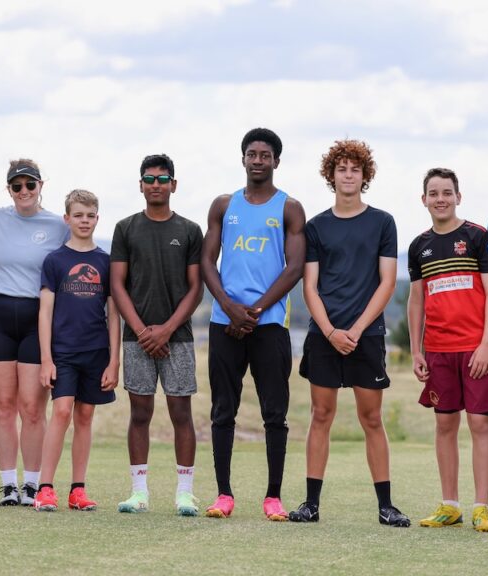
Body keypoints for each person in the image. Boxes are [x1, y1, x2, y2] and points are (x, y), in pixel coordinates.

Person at [288, 140, 409, 527]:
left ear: (365, 176)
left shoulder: (383, 222)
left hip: (367, 336)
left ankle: (386, 507)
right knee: (320, 414)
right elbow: (310, 287)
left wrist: (354, 331)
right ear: (331, 175)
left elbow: (388, 282)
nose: (348, 174)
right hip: (325, 335)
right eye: (341, 168)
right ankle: (311, 505)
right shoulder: (316, 227)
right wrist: (330, 331)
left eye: (355, 169)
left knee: (371, 418)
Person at [201, 127, 305, 520]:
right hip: (223, 323)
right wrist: (229, 306)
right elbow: (208, 261)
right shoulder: (224, 205)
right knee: (222, 410)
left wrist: (255, 311)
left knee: (274, 413)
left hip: (269, 325)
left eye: (265, 154)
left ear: (276, 161)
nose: (258, 160)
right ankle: (223, 494)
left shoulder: (289, 207)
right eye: (252, 153)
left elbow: (293, 268)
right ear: (242, 158)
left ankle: (273, 496)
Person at [407, 167, 488, 532]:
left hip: (475, 347)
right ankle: (450, 505)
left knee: (479, 423)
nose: (441, 199)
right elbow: (416, 301)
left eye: (447, 192)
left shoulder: (478, 237)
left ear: (458, 197)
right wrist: (417, 351)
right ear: (425, 200)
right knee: (445, 423)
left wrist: (486, 344)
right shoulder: (419, 246)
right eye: (434, 193)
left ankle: (481, 506)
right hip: (439, 350)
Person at [110, 154, 204, 516]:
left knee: (181, 412)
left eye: (162, 179)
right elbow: (117, 285)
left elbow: (196, 289)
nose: (155, 185)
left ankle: (184, 492)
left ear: (173, 185)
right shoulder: (126, 228)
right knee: (140, 413)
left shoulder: (189, 230)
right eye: (149, 179)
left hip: (176, 338)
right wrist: (141, 330)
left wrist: (165, 330)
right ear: (140, 185)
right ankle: (139, 493)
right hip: (137, 338)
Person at [0, 159, 68, 506]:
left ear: (41, 185)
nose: (24, 192)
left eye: (30, 185)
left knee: (31, 408)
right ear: (8, 190)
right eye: (16, 186)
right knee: (3, 405)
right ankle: (8, 485)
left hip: (38, 319)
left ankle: (33, 484)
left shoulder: (57, 225)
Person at [33, 189, 120, 512]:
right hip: (63, 352)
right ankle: (45, 488)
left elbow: (114, 315)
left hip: (96, 351)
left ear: (97, 218)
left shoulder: (105, 262)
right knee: (61, 411)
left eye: (90, 215)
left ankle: (78, 490)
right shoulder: (55, 260)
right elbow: (44, 313)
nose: (85, 221)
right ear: (67, 219)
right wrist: (46, 359)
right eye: (78, 215)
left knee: (85, 416)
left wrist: (114, 361)